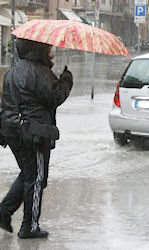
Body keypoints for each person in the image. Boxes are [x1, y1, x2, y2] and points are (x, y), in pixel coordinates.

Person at [0, 38, 73, 239]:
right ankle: (29, 226)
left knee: (28, 173)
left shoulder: (13, 72)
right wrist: (66, 80)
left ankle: (4, 211)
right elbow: (54, 97)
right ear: (39, 49)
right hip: (33, 134)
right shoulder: (40, 72)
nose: (51, 51)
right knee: (37, 179)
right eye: (48, 48)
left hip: (12, 130)